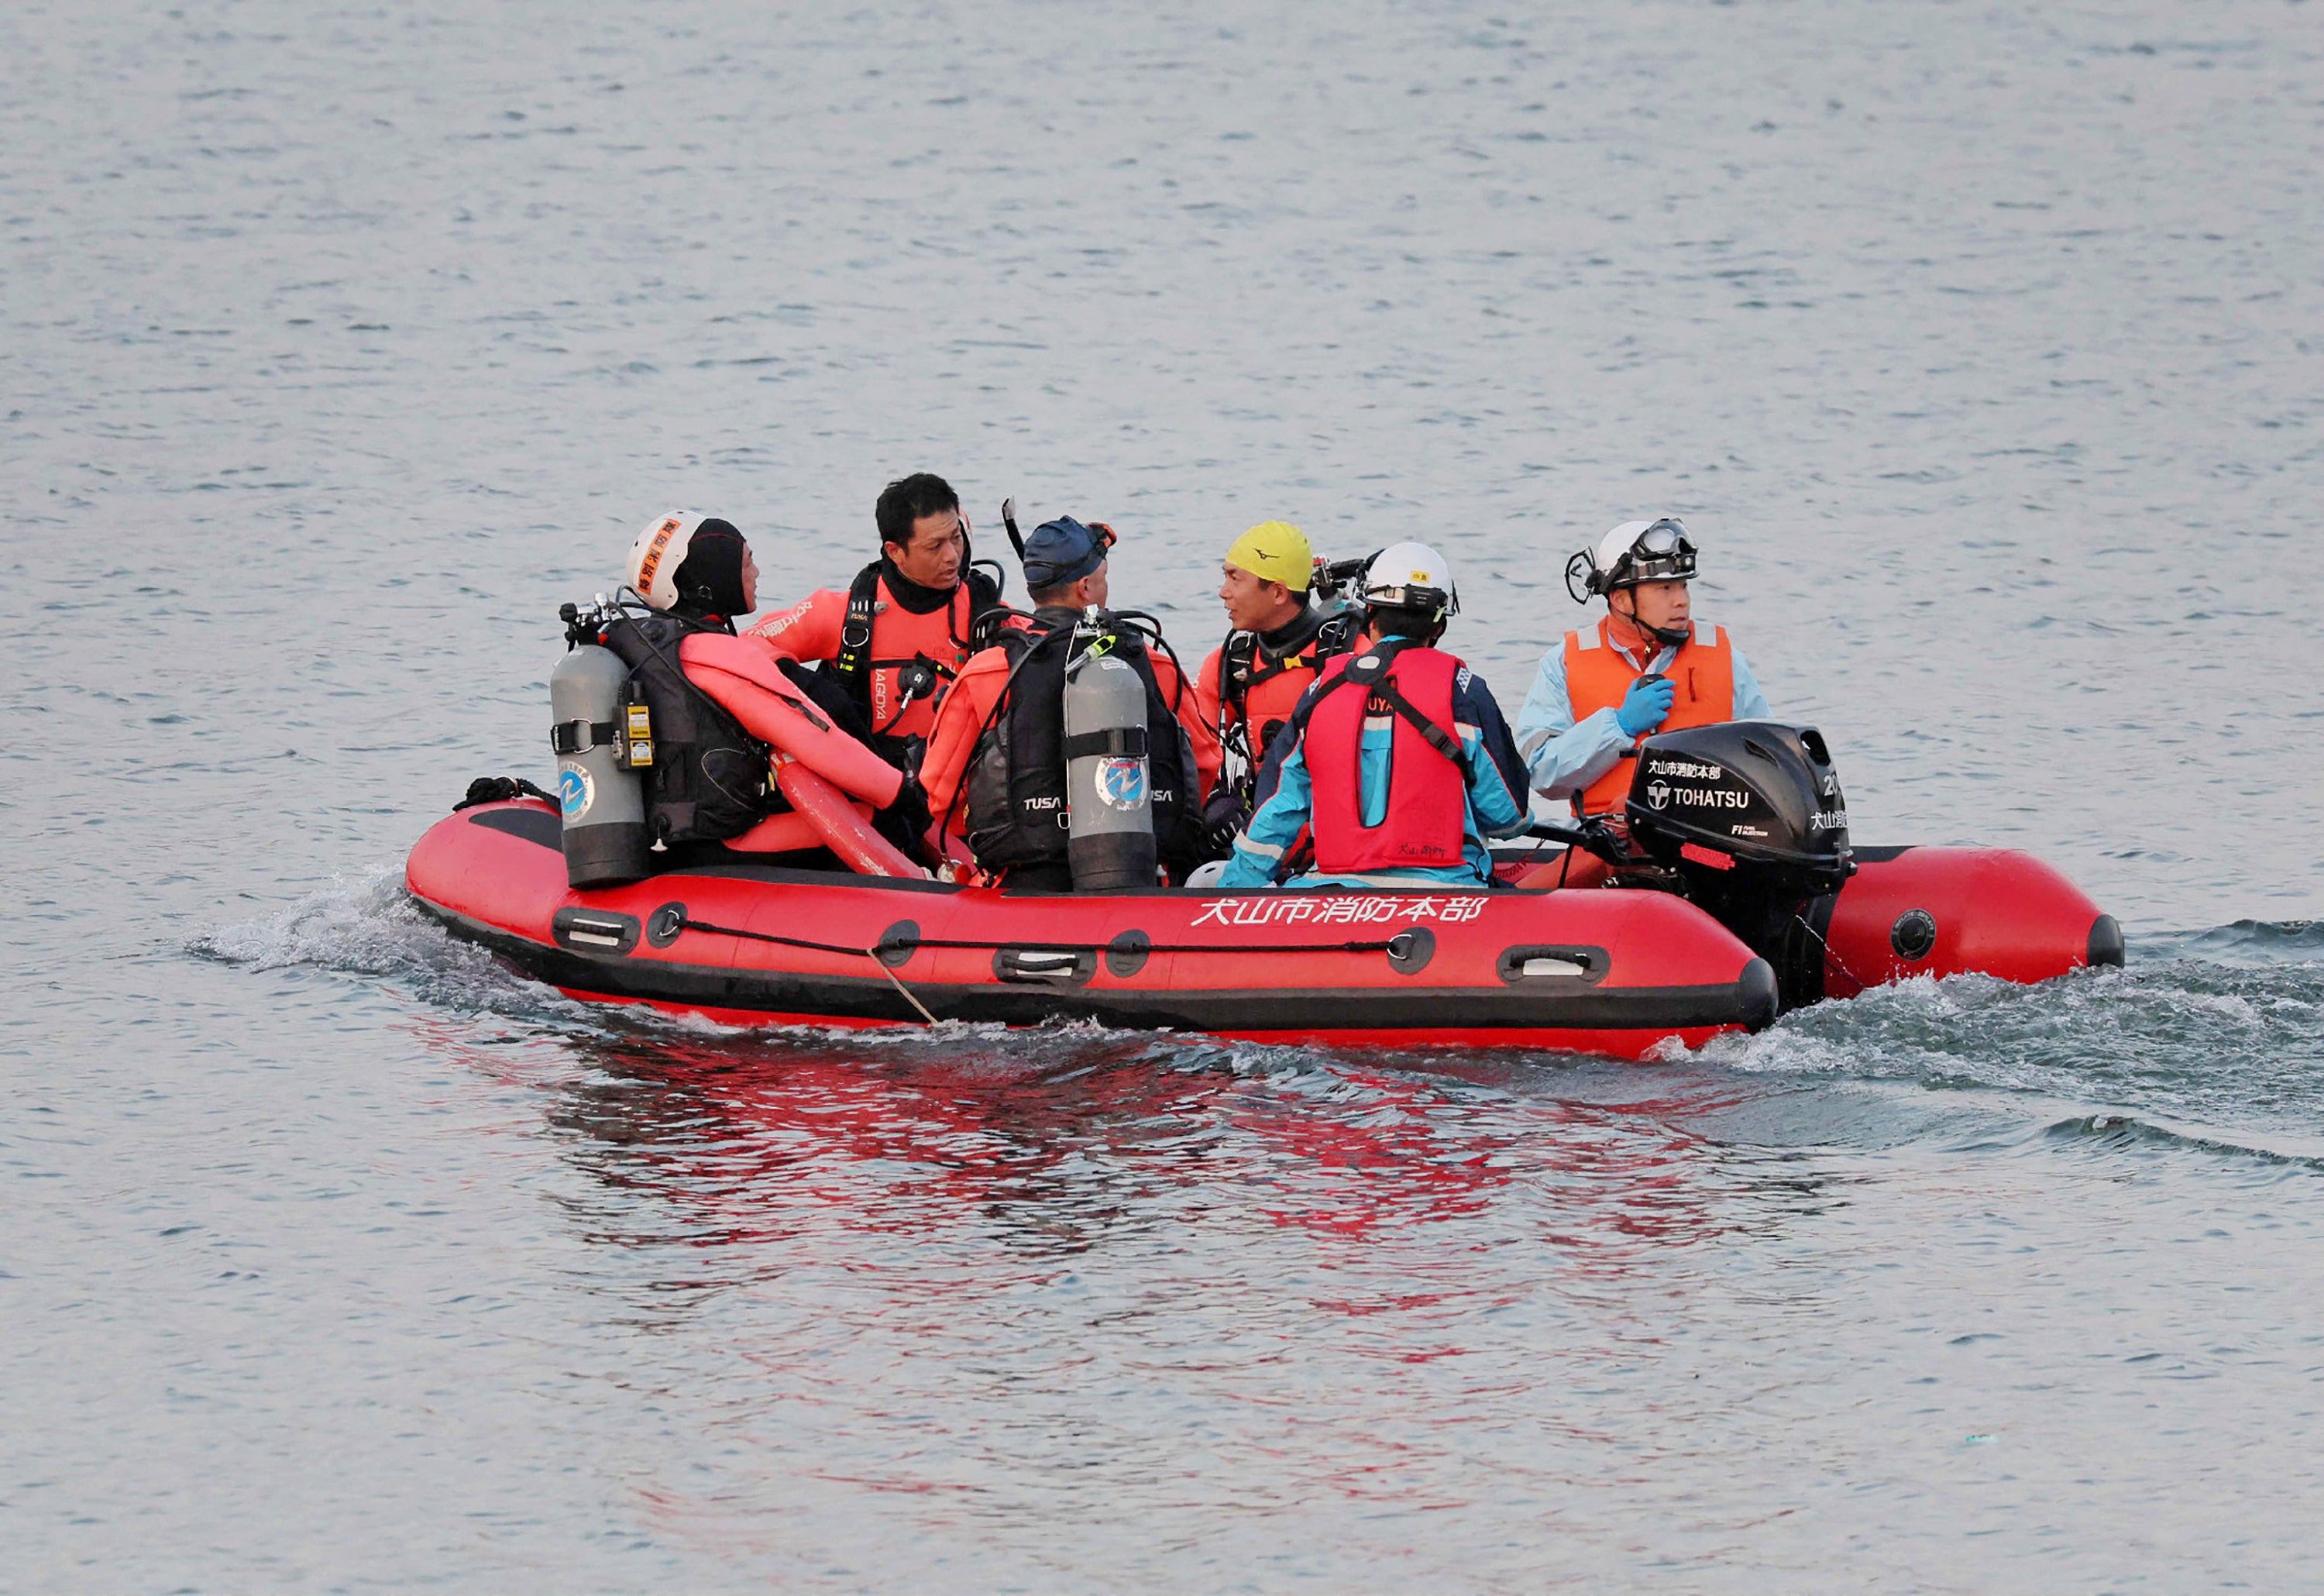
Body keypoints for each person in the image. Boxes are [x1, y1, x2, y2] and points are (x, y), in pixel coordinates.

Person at [601, 512, 931, 864]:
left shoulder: (645, 644)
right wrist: (902, 793)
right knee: (881, 819)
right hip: (723, 843)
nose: (756, 574)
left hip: (669, 833)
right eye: (746, 562)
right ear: (711, 576)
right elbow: (816, 738)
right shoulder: (718, 654)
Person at [919, 515, 1221, 889]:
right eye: (1104, 577)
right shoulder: (1152, 664)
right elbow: (1204, 767)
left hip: (1024, 881)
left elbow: (939, 792)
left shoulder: (988, 672)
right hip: (1141, 874)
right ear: (1085, 586)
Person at [1218, 542, 1531, 891]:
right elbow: (1507, 818)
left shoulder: (1320, 692)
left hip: (1330, 894)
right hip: (1446, 895)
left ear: (1368, 613)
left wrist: (1229, 896)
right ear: (1439, 623)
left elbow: (1275, 815)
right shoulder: (1464, 692)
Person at [744, 473, 1006, 769]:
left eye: (956, 538)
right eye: (935, 547)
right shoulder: (847, 615)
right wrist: (811, 689)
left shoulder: (987, 613)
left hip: (963, 786)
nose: (952, 557)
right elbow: (745, 647)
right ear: (895, 552)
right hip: (876, 789)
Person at [1515, 517, 1772, 817]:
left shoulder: (1725, 658)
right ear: (1622, 599)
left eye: (1683, 586)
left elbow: (1764, 763)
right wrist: (1618, 727)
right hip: (1604, 841)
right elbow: (1540, 773)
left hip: (1703, 841)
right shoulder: (1564, 663)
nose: (1682, 601)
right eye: (1665, 589)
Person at [1193, 520, 1361, 842]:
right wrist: (1216, 802)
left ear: (1278, 592)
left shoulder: (1349, 654)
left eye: (1234, 578)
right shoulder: (1228, 663)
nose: (1223, 592)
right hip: (1265, 835)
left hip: (1340, 835)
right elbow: (1197, 755)